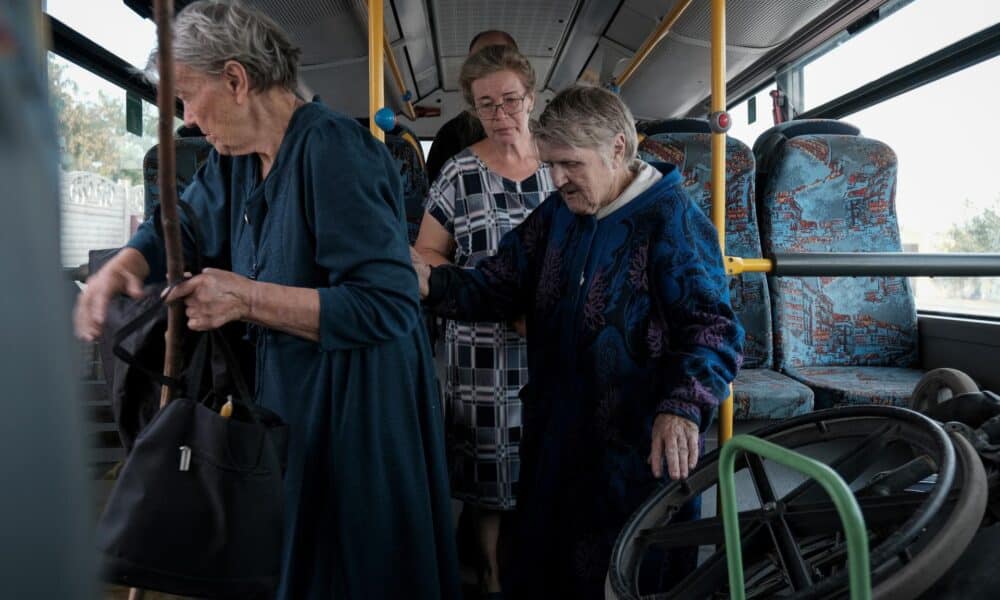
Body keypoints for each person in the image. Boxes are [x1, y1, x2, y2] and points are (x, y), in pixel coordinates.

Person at [73, 3, 460, 599]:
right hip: (289, 398)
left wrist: (246, 299)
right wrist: (128, 263)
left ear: (235, 79)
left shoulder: (335, 151)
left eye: (189, 98)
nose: (190, 121)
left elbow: (387, 305)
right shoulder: (237, 161)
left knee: (349, 567)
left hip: (356, 405)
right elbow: (185, 221)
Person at [411, 85, 744, 599]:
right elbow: (500, 282)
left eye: (569, 164)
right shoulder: (559, 212)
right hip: (556, 442)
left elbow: (712, 330)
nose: (557, 178)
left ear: (617, 147)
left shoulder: (672, 219)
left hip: (634, 457)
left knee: (627, 579)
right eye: (551, 163)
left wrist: (682, 405)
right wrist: (432, 282)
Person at [414, 44, 555, 596]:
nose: (501, 115)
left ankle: (541, 568)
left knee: (549, 459)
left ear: (532, 98)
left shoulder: (560, 163)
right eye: (487, 104)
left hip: (550, 340)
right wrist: (480, 291)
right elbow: (426, 254)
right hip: (480, 345)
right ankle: (493, 578)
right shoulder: (459, 173)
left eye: (511, 101)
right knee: (489, 472)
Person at [424, 30, 518, 184]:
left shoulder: (542, 141)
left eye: (499, 55)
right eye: (480, 59)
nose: (490, 65)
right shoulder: (450, 136)